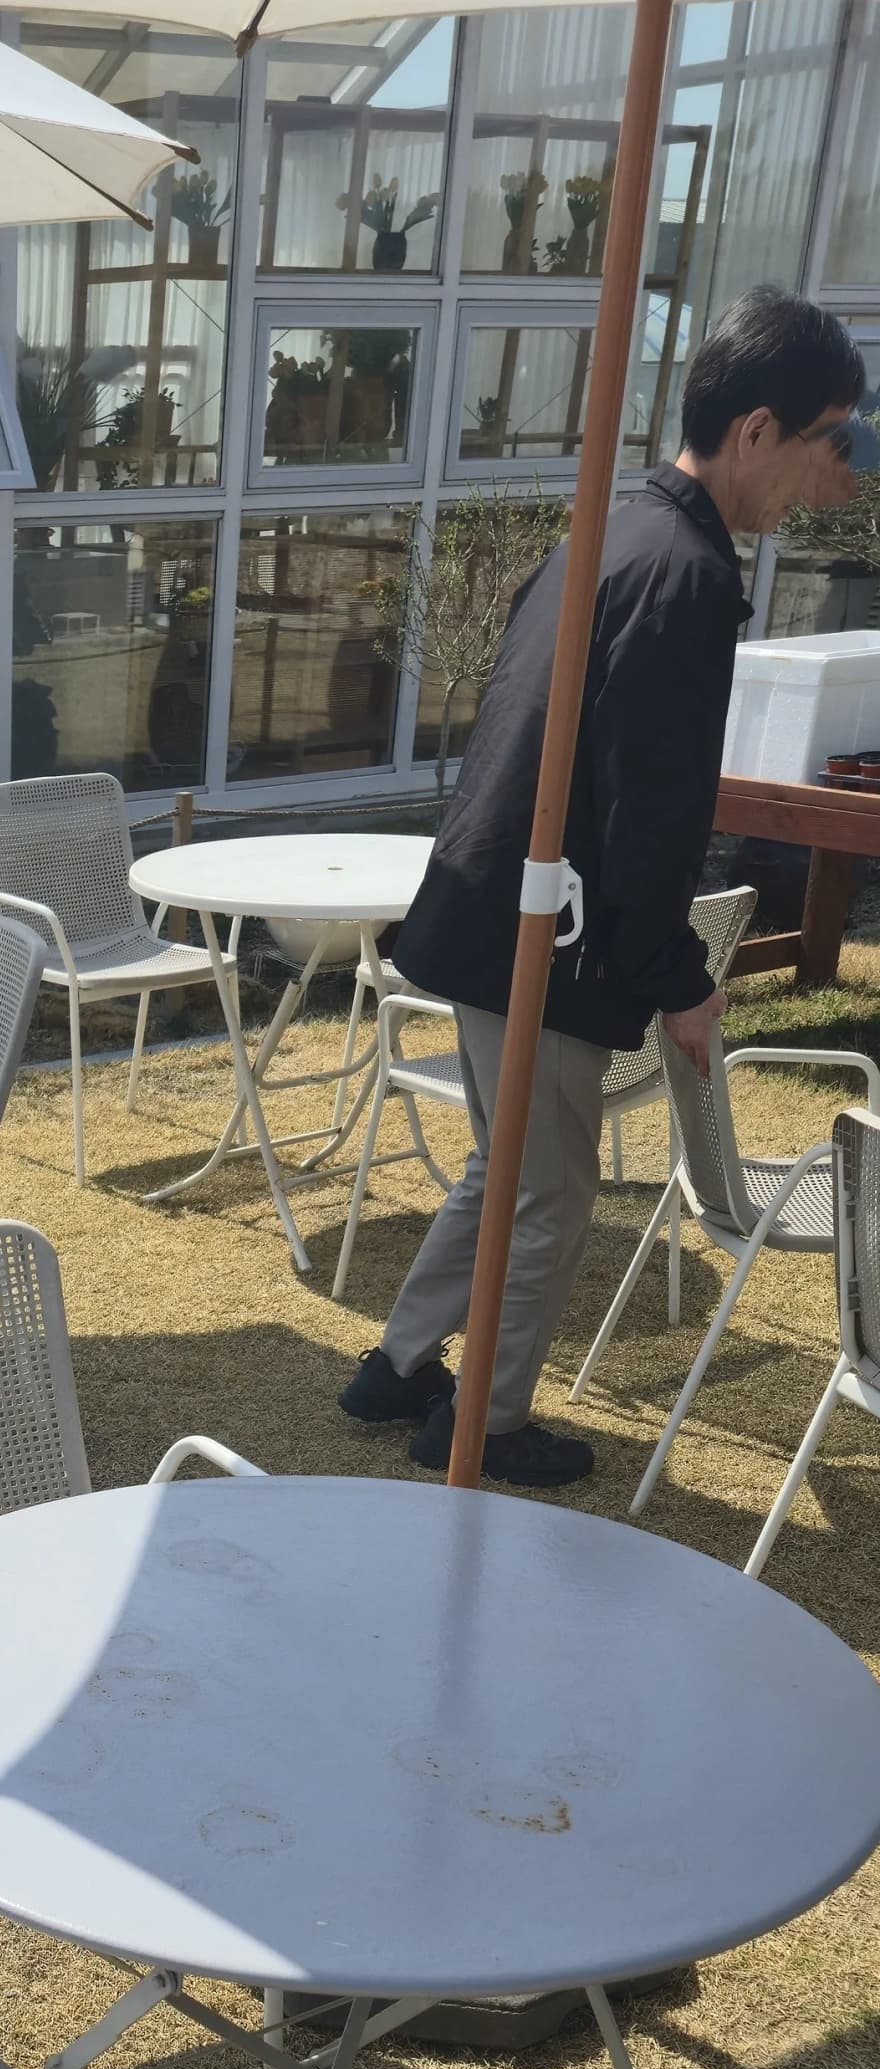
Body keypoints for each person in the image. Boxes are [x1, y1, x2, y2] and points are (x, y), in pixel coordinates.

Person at [340, 287, 865, 1486]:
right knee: (552, 1192)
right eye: (828, 442)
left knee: (512, 1166)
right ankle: (480, 1423)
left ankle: (400, 1367)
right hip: (549, 925)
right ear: (757, 431)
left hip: (490, 902)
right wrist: (679, 978)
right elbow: (651, 812)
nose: (827, 478)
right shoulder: (687, 575)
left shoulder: (613, 529)